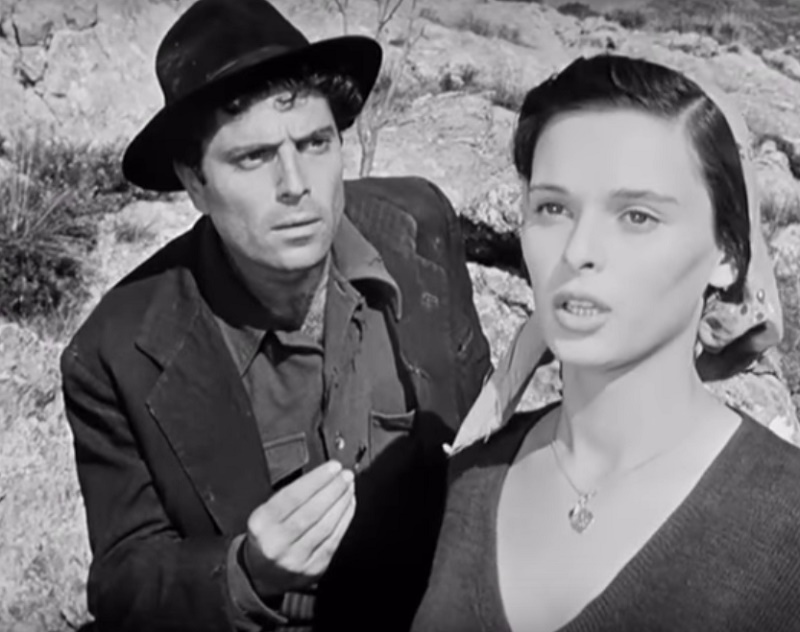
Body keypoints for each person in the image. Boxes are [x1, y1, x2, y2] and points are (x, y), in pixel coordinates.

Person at [60, 1, 491, 631]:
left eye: (315, 143)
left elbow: (483, 425)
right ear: (195, 183)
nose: (296, 183)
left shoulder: (418, 227)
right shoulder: (116, 350)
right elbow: (124, 576)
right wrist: (246, 572)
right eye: (254, 157)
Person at [412, 54, 800, 632]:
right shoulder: (474, 475)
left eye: (637, 216)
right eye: (552, 208)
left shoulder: (785, 531)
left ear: (726, 252)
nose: (578, 251)